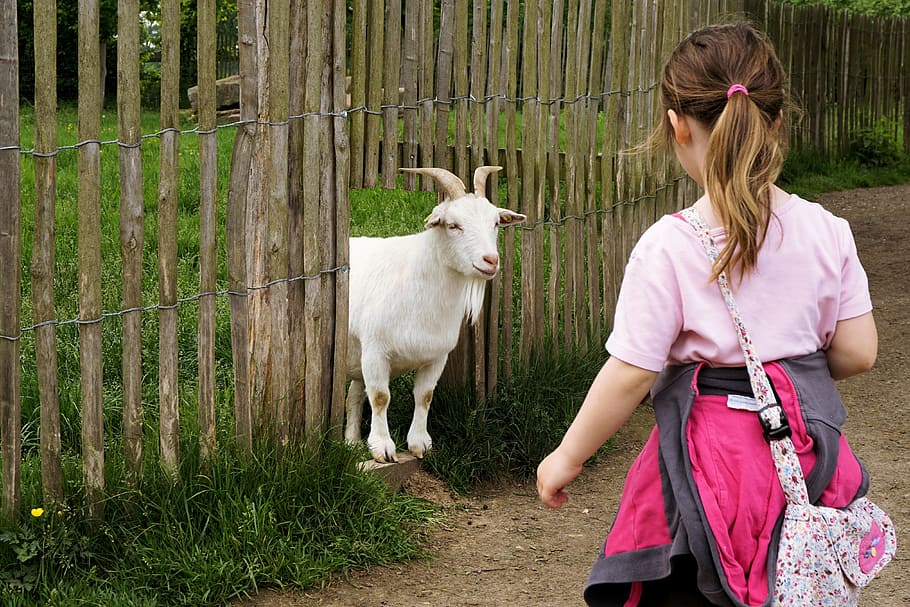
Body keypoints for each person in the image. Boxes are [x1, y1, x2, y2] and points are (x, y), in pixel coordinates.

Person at [536, 22, 878, 607]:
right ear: (775, 122)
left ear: (675, 126)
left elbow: (631, 373)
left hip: (705, 471)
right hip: (802, 462)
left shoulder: (671, 245)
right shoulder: (828, 231)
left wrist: (566, 457)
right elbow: (858, 353)